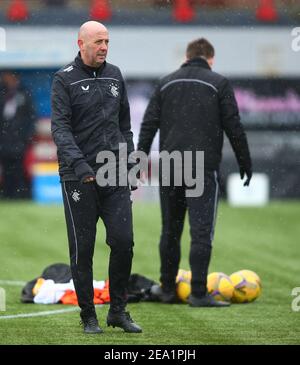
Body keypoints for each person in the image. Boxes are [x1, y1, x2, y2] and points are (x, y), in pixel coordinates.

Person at [137, 38, 252, 307]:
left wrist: (139, 161)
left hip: (170, 165)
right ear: (210, 59)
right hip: (201, 167)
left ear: (187, 57)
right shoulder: (219, 83)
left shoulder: (165, 82)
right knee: (201, 232)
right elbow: (234, 127)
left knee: (170, 231)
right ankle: (198, 293)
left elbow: (148, 126)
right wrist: (245, 162)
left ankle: (167, 289)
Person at [51, 21, 142, 333]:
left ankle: (118, 311)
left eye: (107, 42)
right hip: (79, 178)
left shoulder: (115, 75)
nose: (104, 47)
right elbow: (60, 129)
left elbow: (125, 125)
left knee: (124, 242)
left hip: (114, 173)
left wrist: (131, 163)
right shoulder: (63, 80)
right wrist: (79, 165)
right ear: (81, 43)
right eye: (98, 42)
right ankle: (88, 315)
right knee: (83, 249)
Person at [0, 71, 36, 199]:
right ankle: (7, 193)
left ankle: (19, 193)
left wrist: (27, 137)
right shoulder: (2, 93)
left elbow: (31, 117)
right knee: (6, 168)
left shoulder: (24, 93)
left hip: (19, 140)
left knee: (18, 168)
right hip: (4, 140)